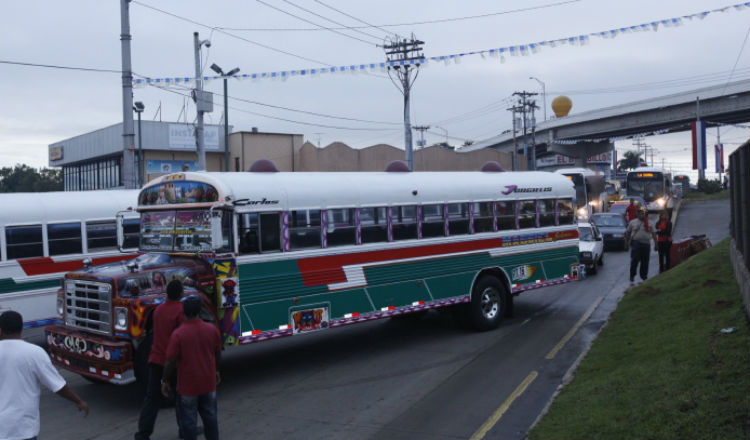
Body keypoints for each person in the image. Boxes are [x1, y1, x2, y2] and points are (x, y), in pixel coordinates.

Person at [0, 310, 89, 440]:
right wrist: (78, 401)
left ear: (0, 330)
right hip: (22, 428)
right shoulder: (34, 353)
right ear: (21, 328)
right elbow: (57, 385)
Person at [162, 295, 222, 440]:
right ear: (200, 312)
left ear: (183, 313)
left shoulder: (178, 334)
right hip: (208, 384)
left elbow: (170, 361)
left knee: (188, 423)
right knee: (211, 419)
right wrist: (216, 371)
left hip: (188, 388)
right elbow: (217, 353)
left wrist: (165, 380)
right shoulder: (212, 330)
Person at [135, 280, 185, 440]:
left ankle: (143, 434)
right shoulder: (180, 311)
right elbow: (181, 339)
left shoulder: (158, 310)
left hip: (155, 359)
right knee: (181, 398)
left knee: (151, 399)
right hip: (174, 363)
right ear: (180, 294)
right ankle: (185, 430)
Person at [626, 208, 656, 284]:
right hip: (636, 243)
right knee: (635, 259)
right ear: (637, 215)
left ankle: (644, 276)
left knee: (645, 261)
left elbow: (654, 233)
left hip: (646, 243)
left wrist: (656, 244)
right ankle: (632, 275)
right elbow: (628, 232)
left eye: (642, 214)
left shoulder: (649, 223)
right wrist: (627, 242)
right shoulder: (633, 222)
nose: (641, 215)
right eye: (639, 214)